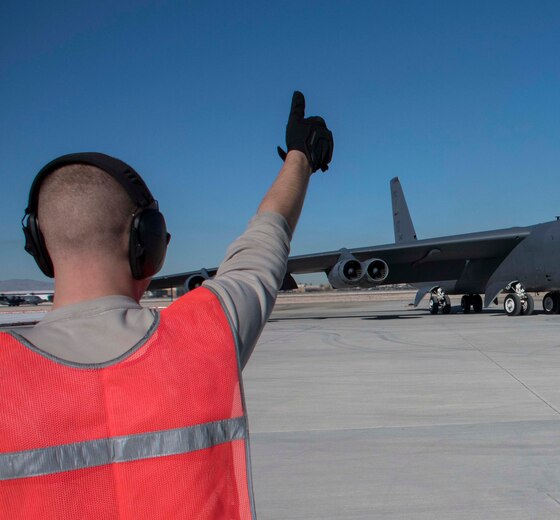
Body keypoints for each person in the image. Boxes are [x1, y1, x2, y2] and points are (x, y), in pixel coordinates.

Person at [0, 91, 333, 519]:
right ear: (150, 244)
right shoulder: (207, 333)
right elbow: (266, 240)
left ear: (39, 249)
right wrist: (300, 157)